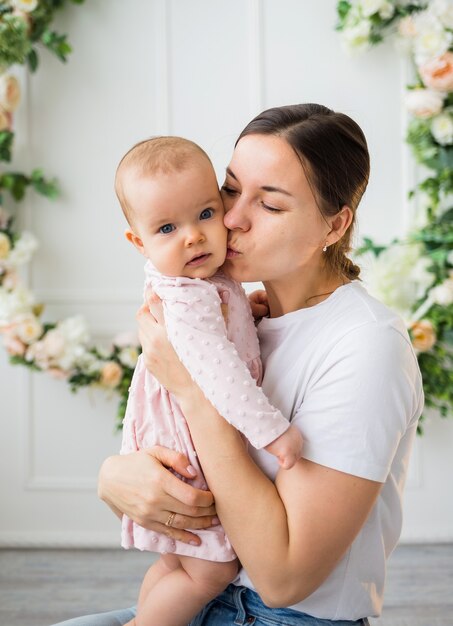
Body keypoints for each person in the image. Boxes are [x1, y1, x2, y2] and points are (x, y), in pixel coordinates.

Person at [51, 103, 423, 626]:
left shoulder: (366, 347)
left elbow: (283, 579)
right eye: (229, 190)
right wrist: (116, 478)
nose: (229, 220)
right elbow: (188, 475)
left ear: (334, 225)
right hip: (201, 597)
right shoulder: (236, 317)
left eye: (269, 205)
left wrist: (192, 394)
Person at [114, 136, 303, 626]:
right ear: (139, 242)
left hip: (180, 427)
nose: (193, 237)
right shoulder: (188, 298)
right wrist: (272, 430)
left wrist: (247, 311)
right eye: (167, 228)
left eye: (204, 214)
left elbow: (218, 333)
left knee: (176, 561)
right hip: (188, 441)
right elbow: (220, 376)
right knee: (210, 568)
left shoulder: (207, 281)